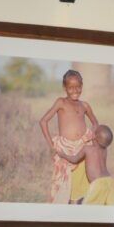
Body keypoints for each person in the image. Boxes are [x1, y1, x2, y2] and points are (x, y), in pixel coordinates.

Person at [39, 69, 99, 204]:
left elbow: (95, 123)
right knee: (63, 187)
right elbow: (43, 121)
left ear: (82, 86)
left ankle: (75, 208)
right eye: (71, 87)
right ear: (64, 87)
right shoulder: (61, 102)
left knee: (79, 187)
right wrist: (51, 146)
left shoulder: (85, 105)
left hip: (82, 151)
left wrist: (88, 138)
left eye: (78, 87)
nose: (75, 90)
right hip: (65, 151)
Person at [57, 125, 114, 206]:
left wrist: (62, 154)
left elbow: (74, 159)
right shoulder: (104, 150)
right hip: (109, 180)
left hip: (97, 183)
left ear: (94, 136)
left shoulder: (87, 149)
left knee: (87, 208)